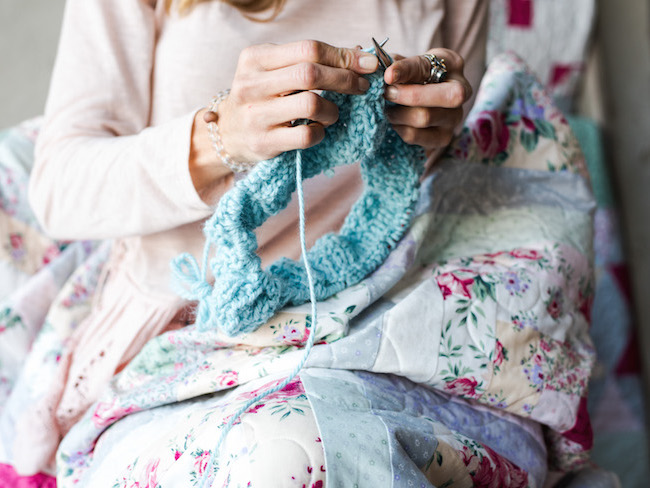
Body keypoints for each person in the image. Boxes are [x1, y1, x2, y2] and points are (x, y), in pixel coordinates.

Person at [8, 0, 590, 486]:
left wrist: (434, 121)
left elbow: (421, 169)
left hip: (375, 308)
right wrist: (221, 135)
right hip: (186, 318)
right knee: (286, 457)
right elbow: (60, 186)